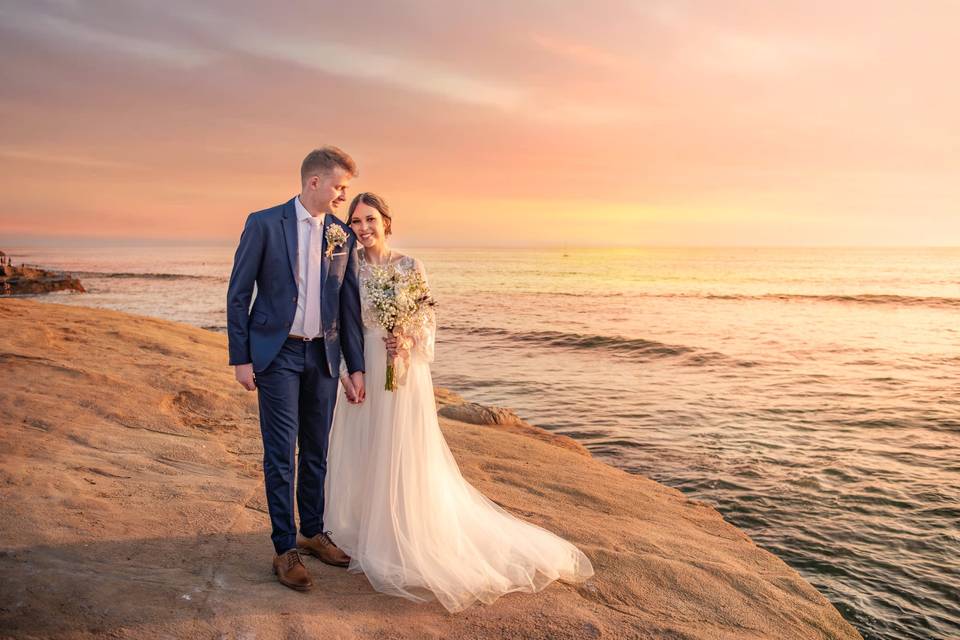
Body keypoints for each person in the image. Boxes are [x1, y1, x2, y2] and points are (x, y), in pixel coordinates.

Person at [324, 192, 594, 612]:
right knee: (364, 446)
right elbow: (340, 324)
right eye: (355, 221)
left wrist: (407, 340)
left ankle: (403, 531)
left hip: (403, 370)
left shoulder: (411, 266)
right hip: (364, 366)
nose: (363, 228)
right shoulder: (348, 267)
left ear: (387, 221)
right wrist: (347, 369)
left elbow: (427, 321)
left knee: (401, 451)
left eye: (370, 220)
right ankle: (366, 526)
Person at [226, 146, 365, 591]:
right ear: (314, 183)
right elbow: (238, 293)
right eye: (340, 187)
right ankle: (285, 547)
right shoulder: (264, 223)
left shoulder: (341, 235)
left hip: (322, 357)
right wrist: (241, 357)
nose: (345, 195)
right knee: (281, 453)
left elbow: (347, 306)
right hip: (276, 354)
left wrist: (355, 366)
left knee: (317, 451)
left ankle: (311, 531)